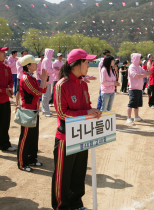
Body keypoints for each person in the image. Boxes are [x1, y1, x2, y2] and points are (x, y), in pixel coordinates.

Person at [51, 49, 101, 210]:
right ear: (76, 64)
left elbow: (87, 107)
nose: (88, 64)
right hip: (66, 137)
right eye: (86, 62)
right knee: (63, 175)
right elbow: (62, 113)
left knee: (79, 173)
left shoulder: (83, 85)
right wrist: (86, 113)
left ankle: (76, 203)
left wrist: (93, 112)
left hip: (82, 134)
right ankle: (62, 205)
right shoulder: (61, 85)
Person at [17, 55, 48, 172]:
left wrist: (43, 80)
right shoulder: (25, 78)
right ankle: (22, 162)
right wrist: (44, 80)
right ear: (28, 66)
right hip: (27, 111)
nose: (37, 64)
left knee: (33, 136)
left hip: (34, 110)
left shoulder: (31, 77)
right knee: (25, 137)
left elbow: (42, 90)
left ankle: (32, 158)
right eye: (34, 63)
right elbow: (38, 92)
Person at [127, 53, 152, 125]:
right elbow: (135, 76)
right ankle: (129, 118)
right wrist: (146, 74)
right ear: (137, 59)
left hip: (139, 88)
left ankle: (136, 117)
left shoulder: (139, 66)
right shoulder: (132, 67)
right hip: (133, 88)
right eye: (140, 58)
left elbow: (143, 72)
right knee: (131, 104)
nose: (141, 59)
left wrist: (148, 72)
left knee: (137, 104)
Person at [41, 49, 56, 117]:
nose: (52, 54)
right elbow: (47, 70)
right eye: (51, 53)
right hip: (46, 79)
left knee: (47, 96)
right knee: (45, 95)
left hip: (48, 79)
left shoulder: (48, 60)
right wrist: (54, 69)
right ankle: (45, 110)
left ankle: (45, 110)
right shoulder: (46, 60)